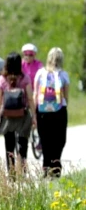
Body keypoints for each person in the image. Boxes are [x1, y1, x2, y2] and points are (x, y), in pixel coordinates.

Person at [0, 52, 35, 176]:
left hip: (7, 116)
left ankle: (11, 173)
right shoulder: (25, 78)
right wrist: (33, 115)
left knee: (9, 145)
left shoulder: (2, 79)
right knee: (23, 142)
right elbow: (30, 98)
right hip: (22, 115)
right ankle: (22, 169)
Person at [33, 47, 70, 178]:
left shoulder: (40, 73)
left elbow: (35, 94)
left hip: (42, 110)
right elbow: (66, 96)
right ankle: (56, 167)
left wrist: (34, 112)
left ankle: (46, 166)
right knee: (59, 140)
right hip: (59, 111)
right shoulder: (63, 75)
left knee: (45, 139)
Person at [22, 43, 44, 153]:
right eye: (26, 54)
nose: (28, 56)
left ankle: (40, 139)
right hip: (23, 93)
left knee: (38, 114)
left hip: (35, 92)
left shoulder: (39, 65)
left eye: (30, 54)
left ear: (34, 55)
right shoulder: (21, 64)